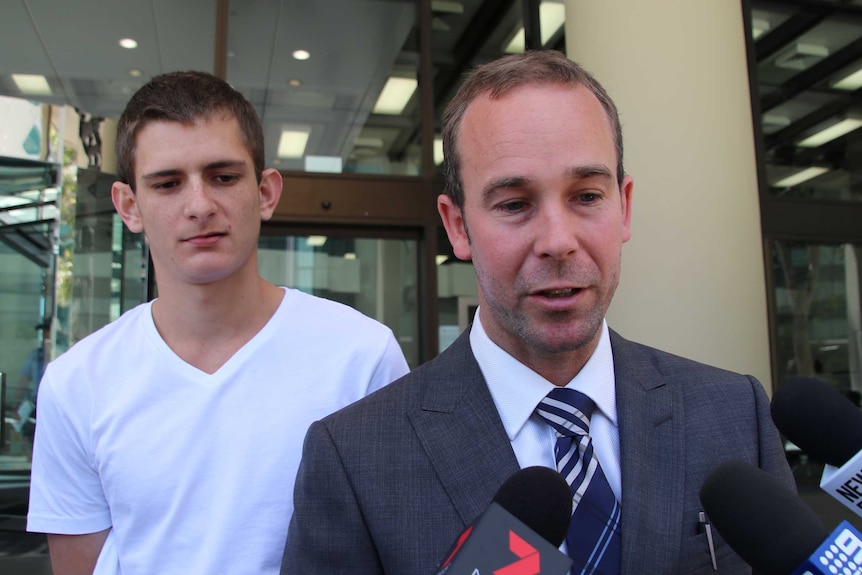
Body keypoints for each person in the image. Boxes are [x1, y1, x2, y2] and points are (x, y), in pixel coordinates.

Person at [283, 51, 795, 574]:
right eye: (514, 204)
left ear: (625, 205)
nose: (557, 241)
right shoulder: (353, 457)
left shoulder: (735, 414)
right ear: (457, 226)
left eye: (587, 196)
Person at [26, 71, 409, 575]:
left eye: (223, 176)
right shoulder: (77, 384)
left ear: (266, 192)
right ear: (128, 206)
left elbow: (402, 549)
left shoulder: (361, 357)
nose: (200, 205)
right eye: (167, 183)